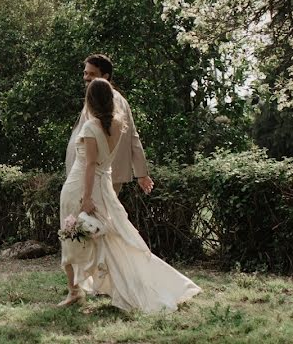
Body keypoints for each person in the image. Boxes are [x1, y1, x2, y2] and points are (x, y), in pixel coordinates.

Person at [58, 78, 201, 311]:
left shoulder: (90, 127)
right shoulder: (117, 125)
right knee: (111, 238)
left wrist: (86, 198)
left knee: (70, 235)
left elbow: (91, 165)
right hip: (103, 187)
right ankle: (102, 285)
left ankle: (75, 291)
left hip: (81, 187)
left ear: (90, 101)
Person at [66, 54, 154, 196]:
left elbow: (130, 137)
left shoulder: (106, 102)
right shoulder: (115, 99)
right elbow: (133, 137)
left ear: (105, 76)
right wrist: (141, 173)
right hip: (100, 174)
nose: (86, 77)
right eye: (85, 73)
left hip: (98, 175)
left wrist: (142, 174)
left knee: (94, 217)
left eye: (92, 74)